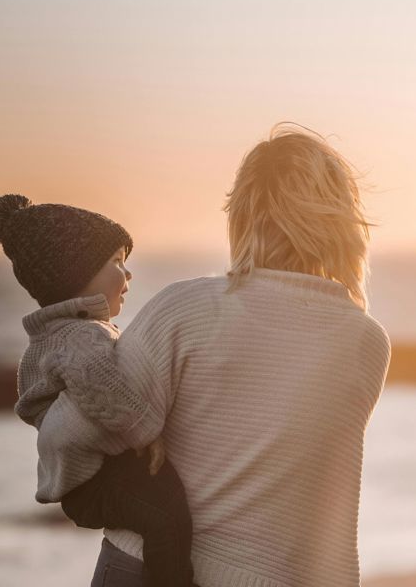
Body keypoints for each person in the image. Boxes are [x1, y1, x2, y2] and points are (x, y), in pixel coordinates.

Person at [40, 121, 389, 587]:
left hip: (148, 569)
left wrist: (68, 478)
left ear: (242, 213)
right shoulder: (367, 342)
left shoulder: (185, 309)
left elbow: (70, 433)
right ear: (340, 220)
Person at [0, 194, 196, 587]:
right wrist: (147, 435)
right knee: (166, 514)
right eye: (116, 262)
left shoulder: (55, 334)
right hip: (92, 485)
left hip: (85, 482)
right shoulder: (81, 337)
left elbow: (35, 401)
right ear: (74, 274)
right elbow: (108, 392)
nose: (128, 274)